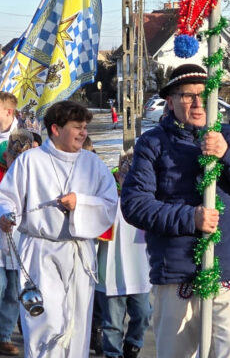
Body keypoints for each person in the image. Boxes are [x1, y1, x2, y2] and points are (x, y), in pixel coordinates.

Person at [120, 64, 230, 358]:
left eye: (206, 95)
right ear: (171, 101)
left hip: (228, 271)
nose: (199, 103)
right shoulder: (153, 144)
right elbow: (135, 205)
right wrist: (191, 218)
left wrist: (227, 153)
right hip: (177, 274)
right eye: (188, 96)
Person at [0, 100, 118, 358]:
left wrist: (79, 204)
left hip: (78, 252)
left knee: (76, 322)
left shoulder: (93, 165)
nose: (83, 133)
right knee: (45, 322)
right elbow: (5, 198)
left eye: (84, 128)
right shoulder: (30, 161)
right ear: (56, 129)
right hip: (40, 251)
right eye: (77, 127)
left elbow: (109, 204)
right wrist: (4, 217)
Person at [0, 130, 35, 357]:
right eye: (15, 157)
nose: (18, 162)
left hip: (20, 241)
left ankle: (5, 335)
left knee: (15, 289)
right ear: (7, 157)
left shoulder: (34, 177)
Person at [95, 149, 151, 358]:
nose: (128, 180)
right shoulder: (107, 201)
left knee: (144, 313)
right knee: (112, 322)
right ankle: (112, 353)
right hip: (110, 268)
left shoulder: (146, 201)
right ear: (118, 175)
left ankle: (133, 343)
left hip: (140, 268)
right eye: (125, 175)